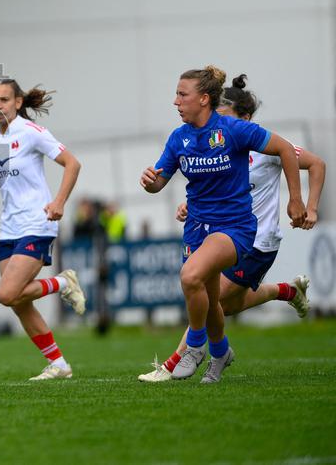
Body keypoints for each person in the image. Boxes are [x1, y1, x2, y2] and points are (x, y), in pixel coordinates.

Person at [139, 74, 325, 382]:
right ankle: (226, 346)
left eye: (182, 94)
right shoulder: (179, 137)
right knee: (217, 301)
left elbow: (295, 154)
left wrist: (299, 201)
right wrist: (150, 183)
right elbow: (162, 181)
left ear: (203, 99)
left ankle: (188, 352)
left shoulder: (239, 133)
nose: (175, 101)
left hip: (243, 233)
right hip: (199, 228)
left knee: (192, 277)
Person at [0, 78, 86, 380]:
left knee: (7, 294)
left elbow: (72, 164)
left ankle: (61, 283)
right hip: (9, 228)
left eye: (4, 100)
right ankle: (59, 364)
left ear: (18, 102)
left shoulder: (31, 133)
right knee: (19, 302)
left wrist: (59, 201)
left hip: (38, 223)